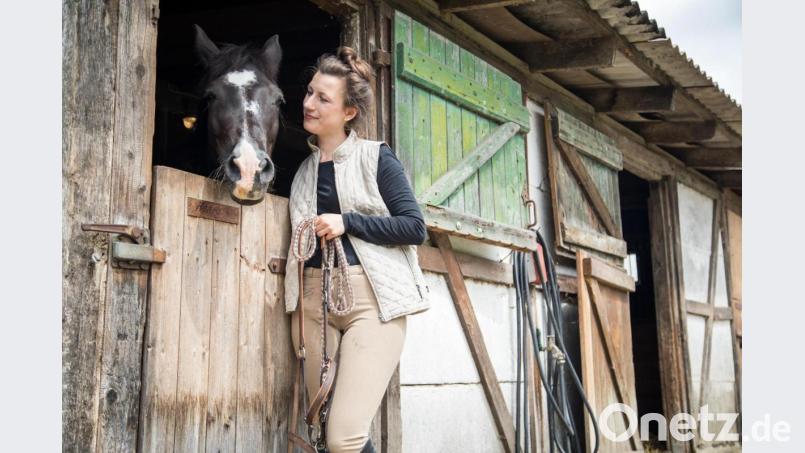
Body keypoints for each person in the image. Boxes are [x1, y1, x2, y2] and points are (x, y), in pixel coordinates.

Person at [284, 47, 431, 453]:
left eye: (323, 98)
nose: (309, 104)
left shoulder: (376, 158)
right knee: (321, 428)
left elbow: (414, 227)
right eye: (310, 93)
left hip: (372, 303)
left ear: (349, 112)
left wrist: (348, 221)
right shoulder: (301, 172)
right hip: (314, 303)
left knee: (345, 437)